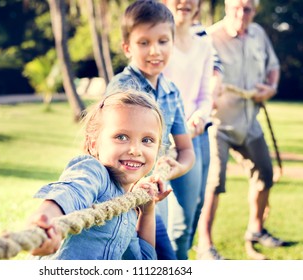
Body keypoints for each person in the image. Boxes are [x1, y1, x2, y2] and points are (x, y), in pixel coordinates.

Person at [28, 90, 172, 260]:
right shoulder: (94, 172)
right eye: (122, 137)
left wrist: (147, 211)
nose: (135, 150)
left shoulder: (127, 210)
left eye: (147, 140)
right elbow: (71, 191)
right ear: (94, 144)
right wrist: (45, 221)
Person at [105, 0, 195, 260]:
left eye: (163, 41)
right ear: (127, 47)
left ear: (172, 43)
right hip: (123, 201)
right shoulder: (123, 87)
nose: (155, 51)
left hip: (154, 202)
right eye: (144, 43)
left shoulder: (171, 91)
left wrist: (176, 168)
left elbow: (187, 150)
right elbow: (109, 147)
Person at [196, 0, 285, 260]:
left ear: (254, 11)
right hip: (218, 125)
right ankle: (205, 245)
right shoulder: (210, 37)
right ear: (226, 7)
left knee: (265, 173)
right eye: (236, 7)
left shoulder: (258, 34)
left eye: (247, 9)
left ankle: (256, 229)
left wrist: (270, 88)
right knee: (214, 182)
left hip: (250, 121)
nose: (241, 14)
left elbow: (274, 67)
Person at [161, 0, 214, 260]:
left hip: (195, 136)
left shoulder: (204, 45)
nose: (185, 2)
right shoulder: (158, 43)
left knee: (192, 210)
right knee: (156, 221)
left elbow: (206, 95)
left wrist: (199, 117)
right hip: (159, 141)